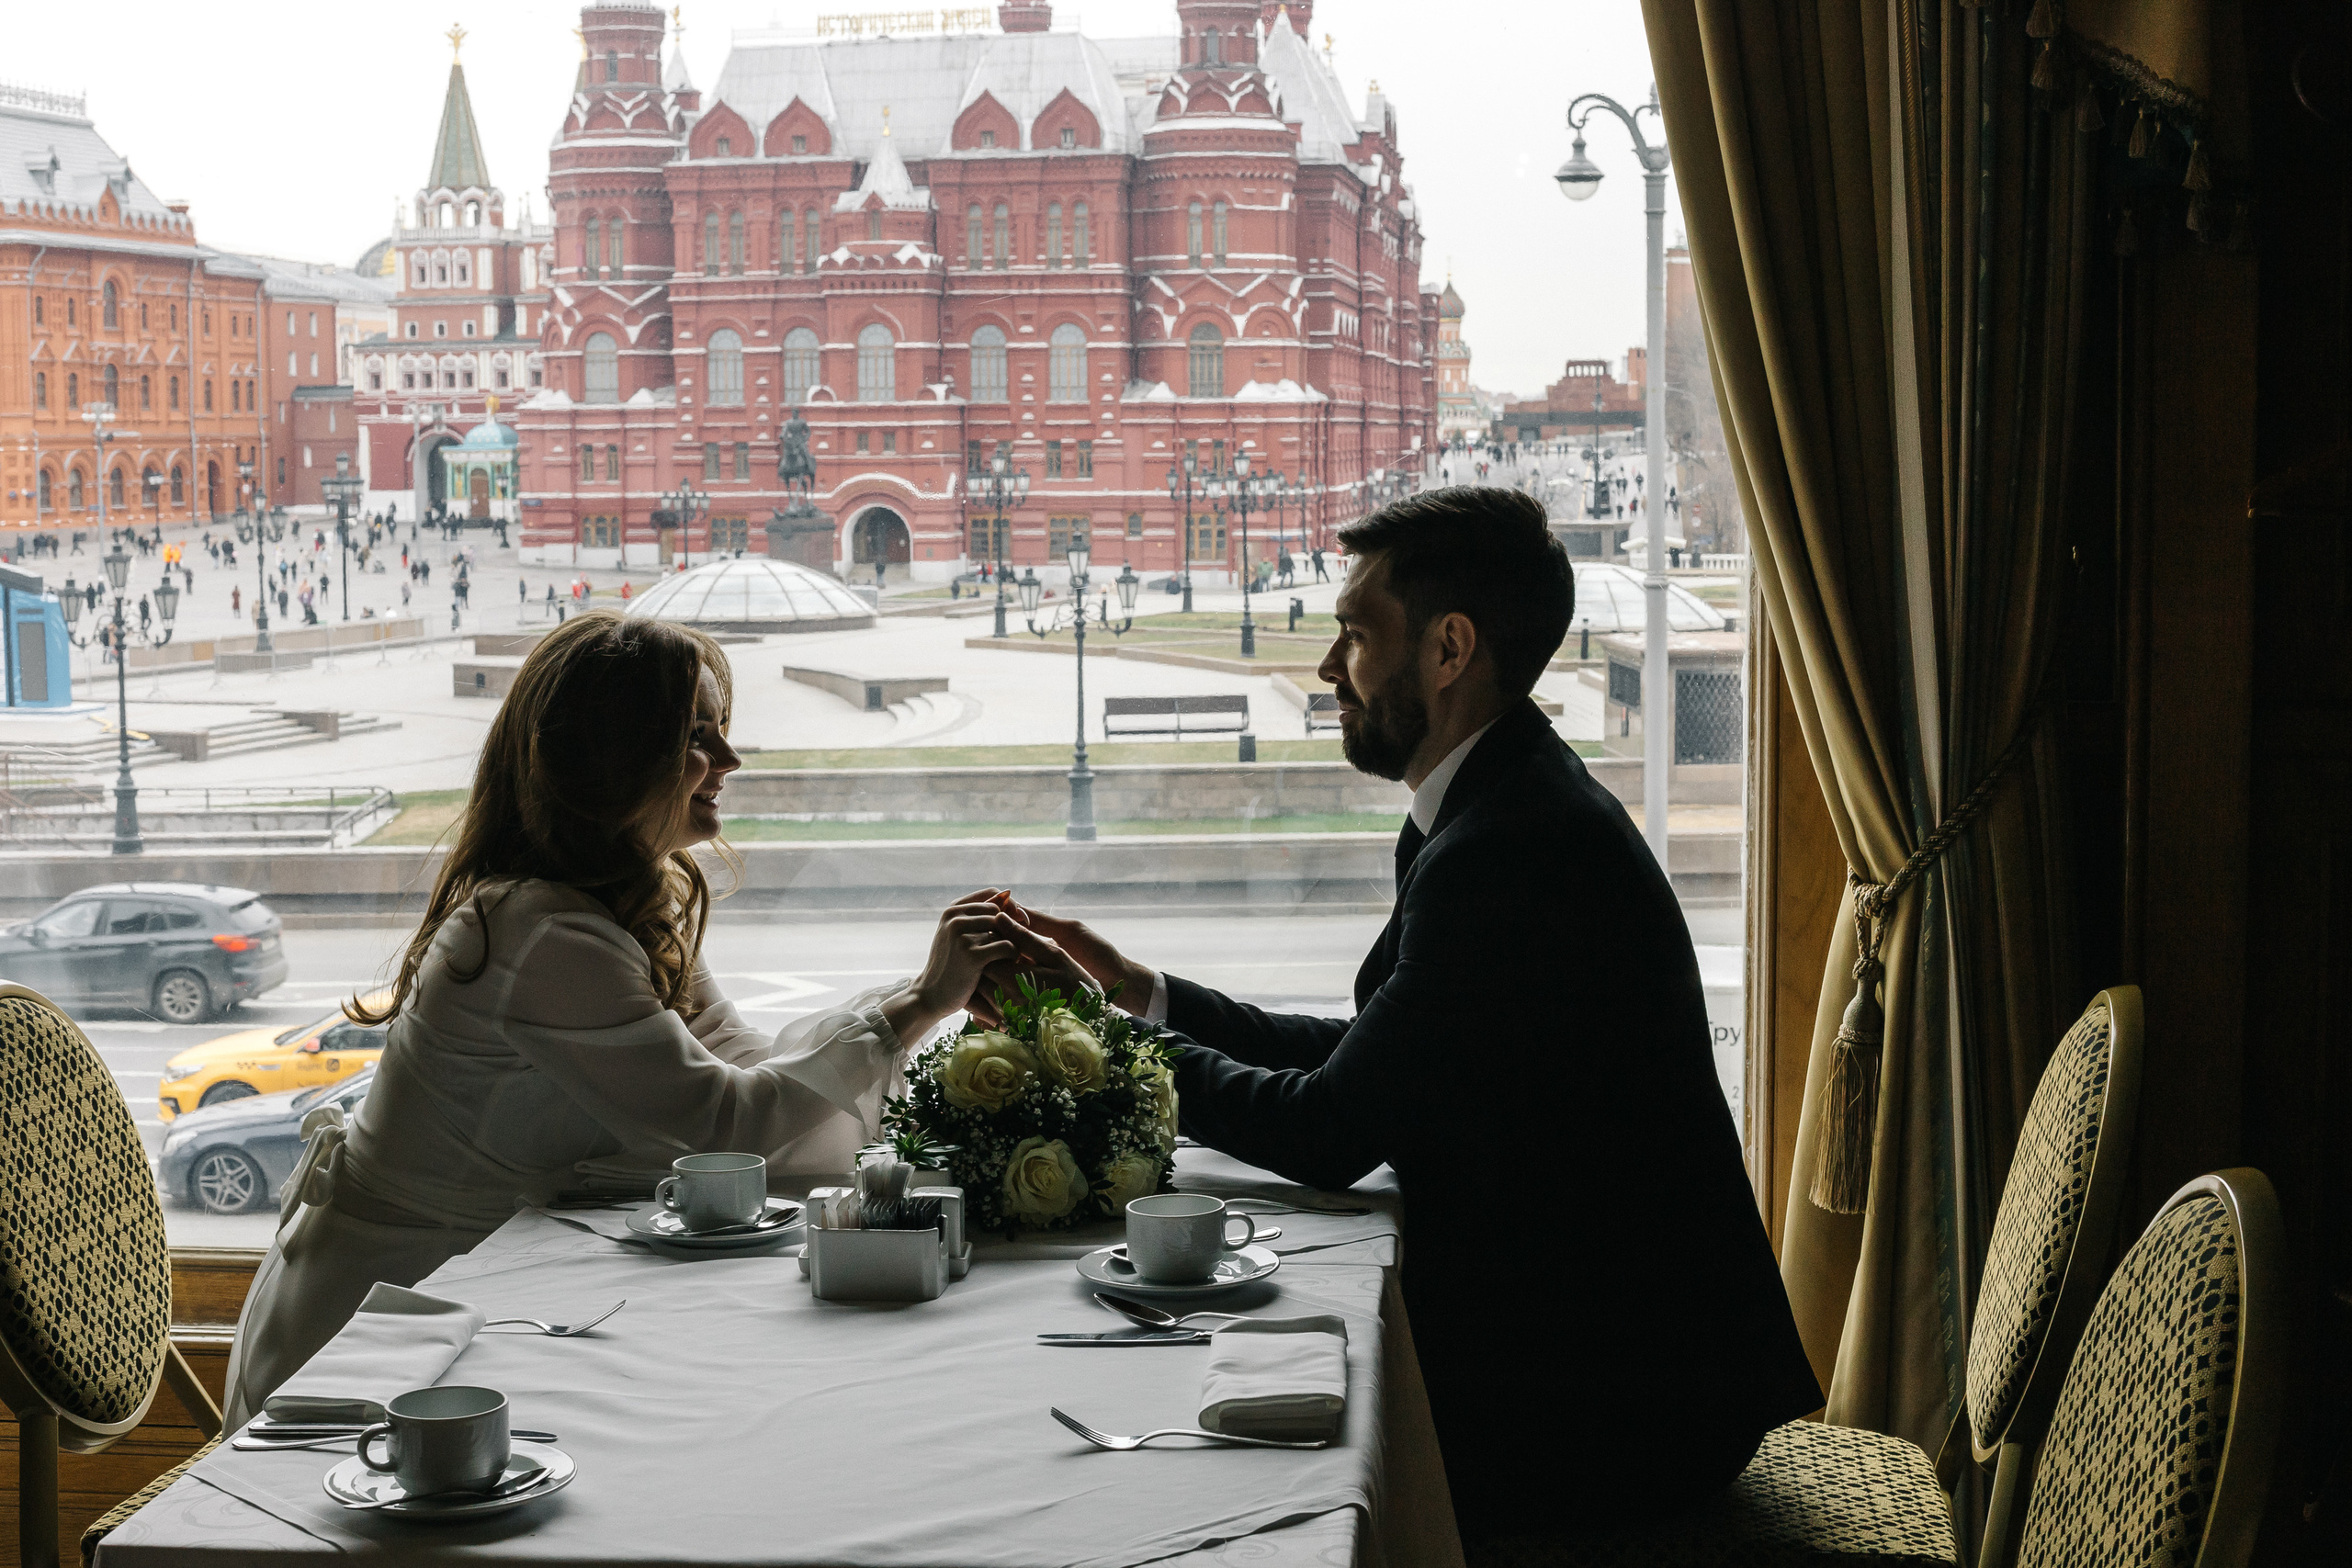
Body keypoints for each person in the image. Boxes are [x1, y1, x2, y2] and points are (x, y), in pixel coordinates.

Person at [978, 489, 1817, 1541]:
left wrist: (1091, 1045)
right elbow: (1382, 1064)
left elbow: (1330, 1130)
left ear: (1449, 649)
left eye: (1354, 634)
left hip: (1614, 1414)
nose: (1330, 668)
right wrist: (1141, 995)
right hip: (1600, 1353)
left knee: (1212, 1482)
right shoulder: (1500, 802)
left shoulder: (1507, 849)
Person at [222, 612, 1018, 1427]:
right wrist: (921, 1003)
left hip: (483, 1297)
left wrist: (922, 1002)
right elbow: (722, 1122)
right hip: (382, 1330)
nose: (731, 760)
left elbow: (740, 1064)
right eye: (697, 738)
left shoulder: (622, 899)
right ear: (612, 760)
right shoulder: (543, 935)